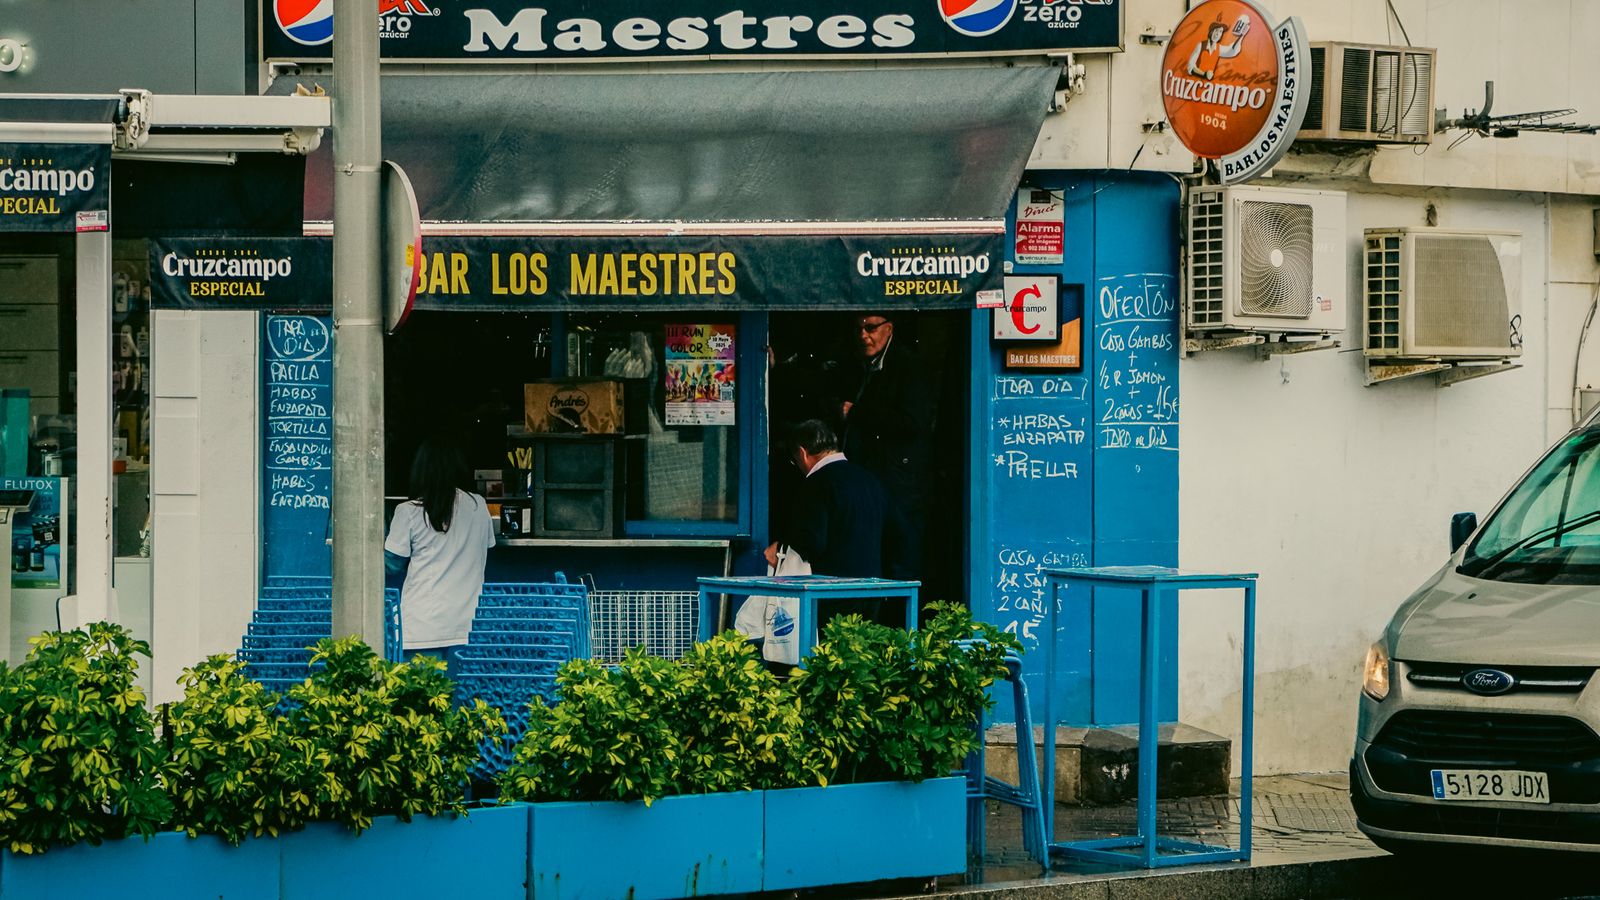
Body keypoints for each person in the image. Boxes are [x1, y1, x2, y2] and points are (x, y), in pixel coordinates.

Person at [838, 312, 937, 579]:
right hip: (875, 477)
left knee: (900, 556)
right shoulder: (864, 365)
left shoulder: (908, 367)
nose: (863, 335)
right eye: (858, 328)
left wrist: (858, 413)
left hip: (900, 483)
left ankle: (903, 618)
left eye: (870, 328)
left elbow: (912, 421)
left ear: (889, 328)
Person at [384, 438, 495, 675]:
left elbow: (391, 564)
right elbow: (487, 546)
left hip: (421, 629)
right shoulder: (479, 506)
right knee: (460, 707)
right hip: (466, 626)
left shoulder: (408, 512)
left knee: (421, 705)